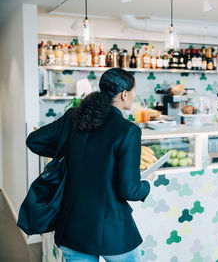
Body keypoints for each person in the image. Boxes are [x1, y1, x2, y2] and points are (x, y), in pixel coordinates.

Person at [26, 68, 152, 262]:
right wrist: (146, 184)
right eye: (133, 92)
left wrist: (67, 150)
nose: (133, 97)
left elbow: (34, 141)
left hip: (71, 227)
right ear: (124, 94)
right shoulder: (128, 131)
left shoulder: (73, 117)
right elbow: (130, 190)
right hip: (112, 231)